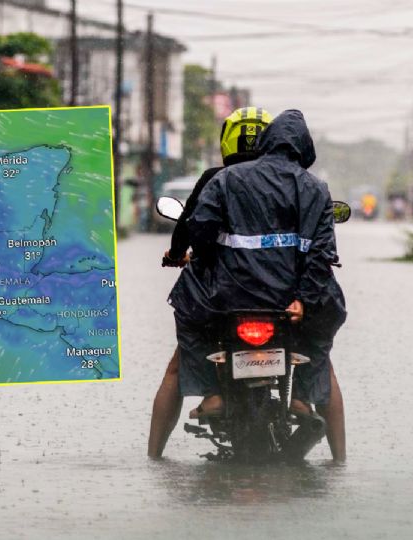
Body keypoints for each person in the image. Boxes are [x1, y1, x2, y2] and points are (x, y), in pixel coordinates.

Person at [153, 109, 347, 461]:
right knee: (322, 338)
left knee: (187, 321)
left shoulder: (225, 179)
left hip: (228, 301)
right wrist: (303, 300)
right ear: (304, 148)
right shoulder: (316, 188)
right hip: (290, 306)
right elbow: (322, 253)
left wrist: (206, 259)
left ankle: (207, 399)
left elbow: (198, 229)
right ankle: (315, 420)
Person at [147, 107, 273, 458]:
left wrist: (177, 253)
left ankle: (155, 457)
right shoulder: (286, 181)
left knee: (177, 366)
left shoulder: (216, 179)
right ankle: (308, 406)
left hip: (218, 295)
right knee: (316, 358)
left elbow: (189, 226)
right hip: (279, 293)